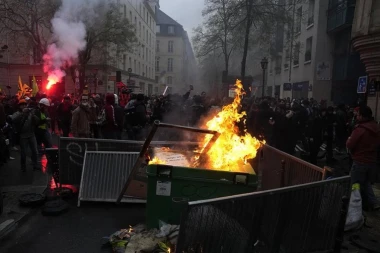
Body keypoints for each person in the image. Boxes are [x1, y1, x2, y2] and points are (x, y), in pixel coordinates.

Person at [346, 105, 380, 211]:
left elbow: (350, 145)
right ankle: (374, 202)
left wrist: (348, 139)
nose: (356, 117)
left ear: (362, 116)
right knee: (366, 182)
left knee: (355, 185)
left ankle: (354, 207)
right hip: (372, 161)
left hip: (360, 162)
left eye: (358, 115)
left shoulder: (360, 129)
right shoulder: (376, 127)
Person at [11, 99, 39, 171]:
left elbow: (37, 121)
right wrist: (22, 114)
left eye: (24, 105)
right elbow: (13, 120)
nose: (23, 106)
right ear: (19, 106)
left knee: (35, 151)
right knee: (23, 152)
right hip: (23, 136)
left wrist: (33, 115)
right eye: (22, 105)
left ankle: (35, 165)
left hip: (31, 134)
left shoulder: (30, 113)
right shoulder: (17, 113)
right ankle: (23, 166)